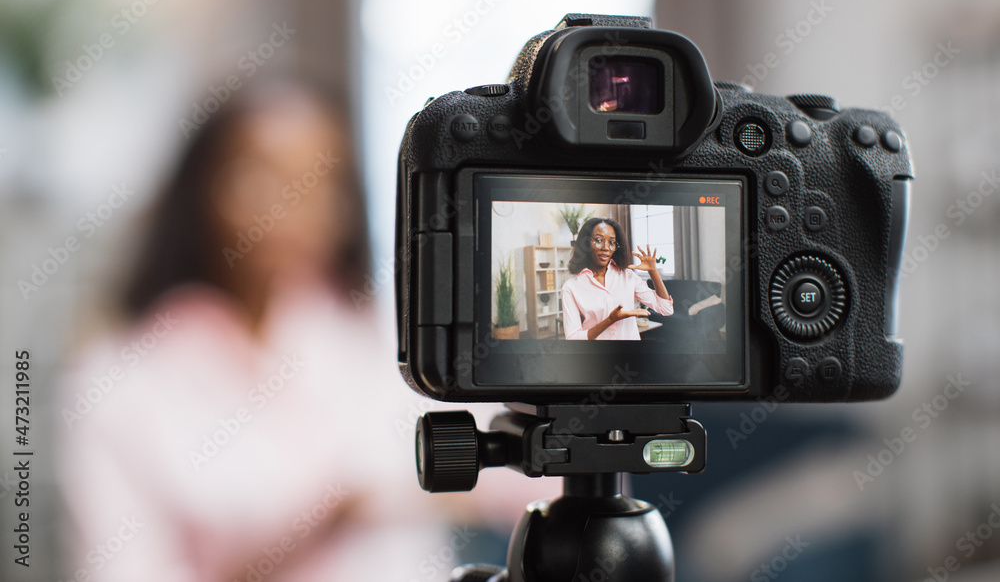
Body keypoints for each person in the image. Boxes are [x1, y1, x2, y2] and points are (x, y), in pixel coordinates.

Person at [56, 81, 551, 582]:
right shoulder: (118, 385)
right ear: (199, 191)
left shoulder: (380, 345)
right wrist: (326, 520)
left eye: (321, 183)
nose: (296, 208)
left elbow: (524, 464)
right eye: (261, 177)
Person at [560, 217, 674, 340]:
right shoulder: (571, 287)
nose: (606, 247)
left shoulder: (627, 275)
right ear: (586, 243)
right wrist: (610, 320)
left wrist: (653, 271)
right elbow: (573, 337)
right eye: (599, 240)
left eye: (612, 242)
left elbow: (666, 309)